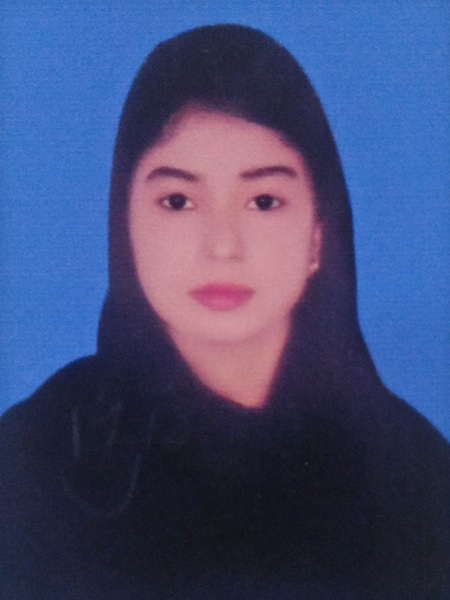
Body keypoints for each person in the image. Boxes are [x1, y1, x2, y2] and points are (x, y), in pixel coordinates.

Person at [1, 24, 449, 600]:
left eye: (264, 201)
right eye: (178, 201)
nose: (222, 247)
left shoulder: (416, 478)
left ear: (318, 238)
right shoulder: (34, 459)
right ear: (124, 226)